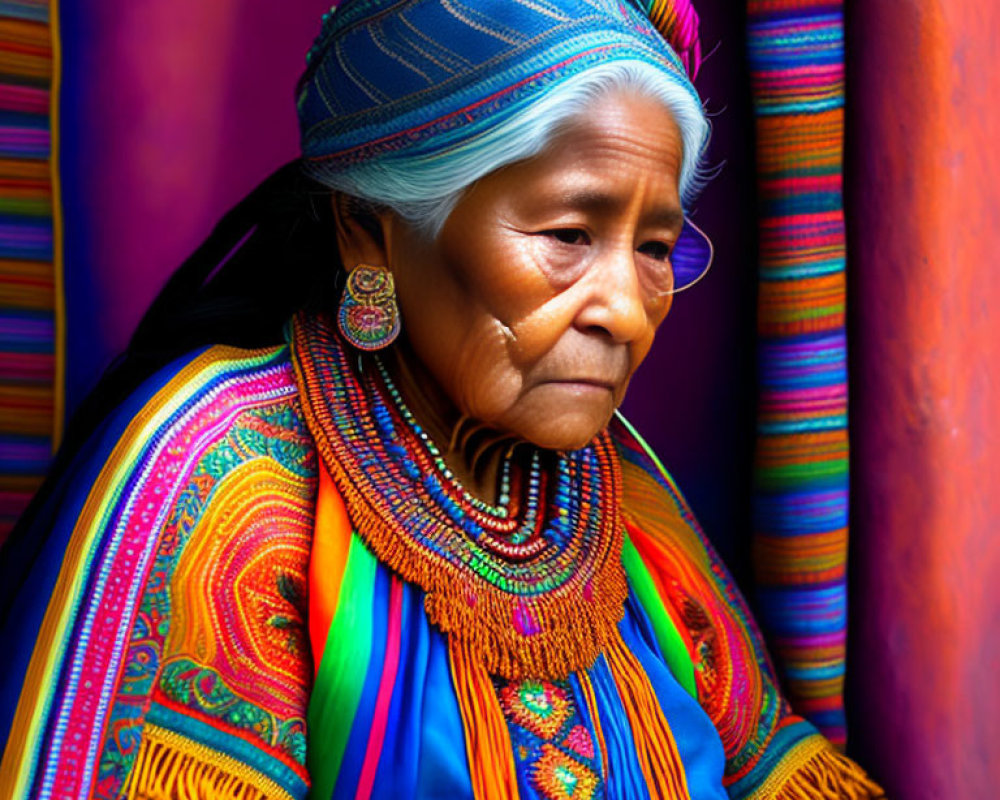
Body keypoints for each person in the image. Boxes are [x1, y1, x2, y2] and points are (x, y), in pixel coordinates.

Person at [0, 1, 884, 798]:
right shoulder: (228, 480)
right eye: (569, 234)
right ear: (371, 236)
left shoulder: (622, 503)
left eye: (655, 248)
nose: (625, 311)